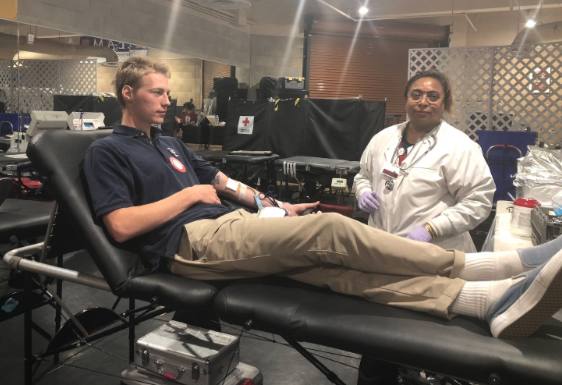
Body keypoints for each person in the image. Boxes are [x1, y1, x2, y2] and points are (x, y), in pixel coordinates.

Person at [84, 57, 562, 343]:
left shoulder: (171, 144)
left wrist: (273, 204)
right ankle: (499, 267)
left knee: (336, 273)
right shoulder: (107, 150)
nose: (168, 101)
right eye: (157, 92)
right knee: (331, 230)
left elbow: (225, 181)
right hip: (188, 244)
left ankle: (482, 302)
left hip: (229, 229)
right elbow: (123, 227)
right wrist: (191, 193)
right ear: (128, 94)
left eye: (168, 92)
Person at [354, 70, 495, 253]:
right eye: (416, 95)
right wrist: (363, 191)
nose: (422, 102)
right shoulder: (382, 139)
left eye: (433, 96)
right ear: (407, 99)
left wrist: (432, 229)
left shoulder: (460, 147)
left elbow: (478, 201)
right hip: (382, 246)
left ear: (445, 104)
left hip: (435, 251)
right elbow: (363, 176)